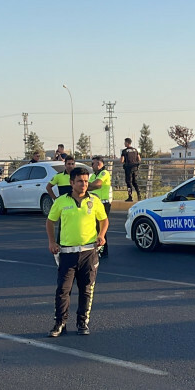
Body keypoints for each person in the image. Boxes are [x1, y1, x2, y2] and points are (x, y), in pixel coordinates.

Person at [45, 167, 108, 337]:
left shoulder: (94, 201)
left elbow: (104, 220)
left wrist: (101, 235)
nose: (84, 184)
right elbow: (50, 221)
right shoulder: (61, 201)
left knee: (86, 289)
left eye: (86, 181)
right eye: (80, 181)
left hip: (88, 252)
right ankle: (60, 322)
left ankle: (82, 322)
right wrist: (52, 241)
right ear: (72, 183)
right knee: (63, 290)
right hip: (67, 253)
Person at [89, 155, 113, 258]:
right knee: (95, 226)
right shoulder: (93, 175)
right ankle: (97, 249)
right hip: (95, 203)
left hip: (103, 203)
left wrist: (85, 185)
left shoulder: (104, 173)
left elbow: (97, 185)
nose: (92, 166)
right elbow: (91, 185)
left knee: (101, 227)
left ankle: (103, 250)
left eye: (93, 164)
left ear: (99, 164)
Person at [119, 137, 142, 201]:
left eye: (125, 142)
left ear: (127, 143)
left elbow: (122, 160)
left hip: (128, 168)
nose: (124, 143)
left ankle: (130, 196)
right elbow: (139, 159)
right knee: (135, 182)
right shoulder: (135, 150)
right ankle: (139, 195)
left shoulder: (124, 151)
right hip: (135, 167)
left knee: (128, 183)